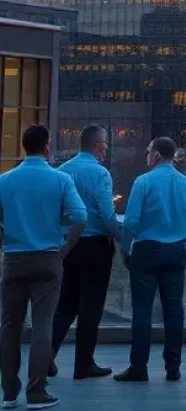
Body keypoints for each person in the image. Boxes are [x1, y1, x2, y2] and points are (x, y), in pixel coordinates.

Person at [0, 124, 87, 410]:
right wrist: (65, 248)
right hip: (48, 257)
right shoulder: (60, 180)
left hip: (13, 258)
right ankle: (36, 391)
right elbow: (79, 216)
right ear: (47, 146)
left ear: (23, 146)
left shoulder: (5, 180)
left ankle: (9, 391)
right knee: (42, 325)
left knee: (10, 325)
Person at [115, 137, 186, 383]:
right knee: (174, 310)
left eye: (147, 151)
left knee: (142, 310)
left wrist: (125, 249)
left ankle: (139, 366)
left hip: (146, 251)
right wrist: (182, 239)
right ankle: (173, 366)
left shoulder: (143, 182)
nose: (146, 156)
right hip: (175, 251)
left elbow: (131, 222)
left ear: (155, 155)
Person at [50, 124, 122, 381]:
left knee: (66, 302)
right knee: (91, 306)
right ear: (98, 145)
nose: (106, 148)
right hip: (95, 247)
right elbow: (107, 215)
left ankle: (48, 354)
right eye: (105, 144)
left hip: (69, 245)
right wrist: (122, 239)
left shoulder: (62, 172)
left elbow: (57, 212)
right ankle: (84, 364)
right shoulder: (100, 174)